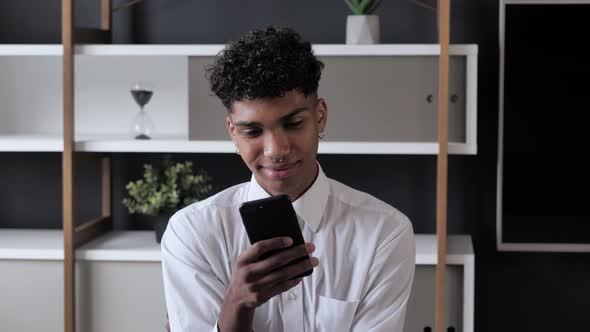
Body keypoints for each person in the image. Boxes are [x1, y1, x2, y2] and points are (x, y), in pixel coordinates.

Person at [161, 26, 415, 332]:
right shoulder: (192, 233)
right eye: (252, 131)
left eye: (293, 123)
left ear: (319, 116)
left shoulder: (384, 232)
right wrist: (236, 307)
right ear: (232, 132)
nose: (276, 150)